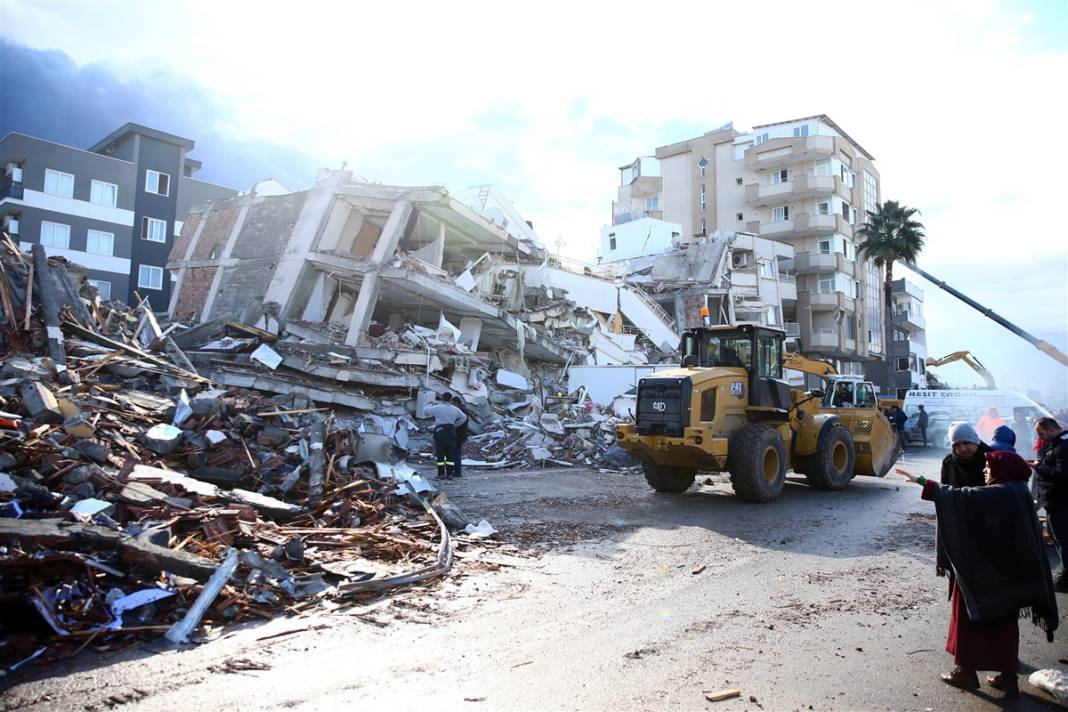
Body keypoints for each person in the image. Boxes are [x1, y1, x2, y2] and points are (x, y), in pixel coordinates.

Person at [898, 451, 1059, 697]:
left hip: (986, 575)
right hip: (1010, 577)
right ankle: (1008, 677)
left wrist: (921, 481)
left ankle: (964, 671)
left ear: (1003, 469)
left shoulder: (1002, 492)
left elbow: (961, 498)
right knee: (1005, 626)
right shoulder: (1016, 490)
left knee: (966, 618)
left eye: (988, 467)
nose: (984, 471)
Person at [1033, 416, 1068, 592]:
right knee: (1056, 537)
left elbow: (1062, 476)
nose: (1040, 437)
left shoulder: (1063, 446)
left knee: (1063, 539)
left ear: (1050, 429)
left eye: (1041, 433)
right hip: (1053, 501)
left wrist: (1039, 466)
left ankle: (1067, 576)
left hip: (1060, 502)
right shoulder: (1057, 443)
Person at [423, 393, 468, 479]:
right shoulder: (455, 409)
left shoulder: (438, 407)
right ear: (451, 399)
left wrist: (429, 403)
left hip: (440, 431)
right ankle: (450, 474)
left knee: (440, 453)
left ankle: (441, 474)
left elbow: (425, 411)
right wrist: (456, 424)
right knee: (450, 453)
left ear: (442, 399)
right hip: (451, 432)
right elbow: (464, 417)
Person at [441, 393, 470, 478]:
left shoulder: (461, 410)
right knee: (456, 453)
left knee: (456, 453)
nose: (452, 406)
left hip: (459, 435)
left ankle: (457, 472)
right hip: (461, 434)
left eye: (453, 404)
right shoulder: (463, 409)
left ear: (456, 402)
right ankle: (456, 471)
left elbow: (458, 422)